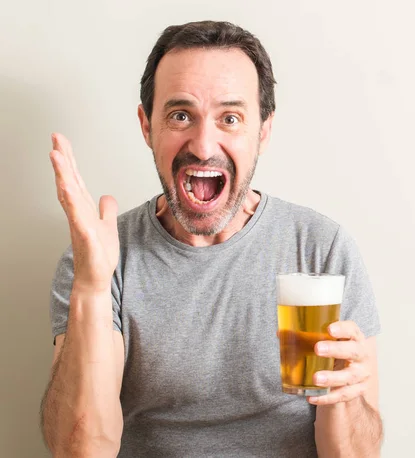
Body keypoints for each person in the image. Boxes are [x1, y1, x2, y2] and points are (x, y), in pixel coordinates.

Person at [40, 20, 382, 457]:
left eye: (230, 118)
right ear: (147, 126)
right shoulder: (101, 257)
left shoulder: (321, 249)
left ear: (263, 131)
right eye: (181, 115)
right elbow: (80, 451)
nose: (203, 145)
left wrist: (346, 394)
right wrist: (91, 287)